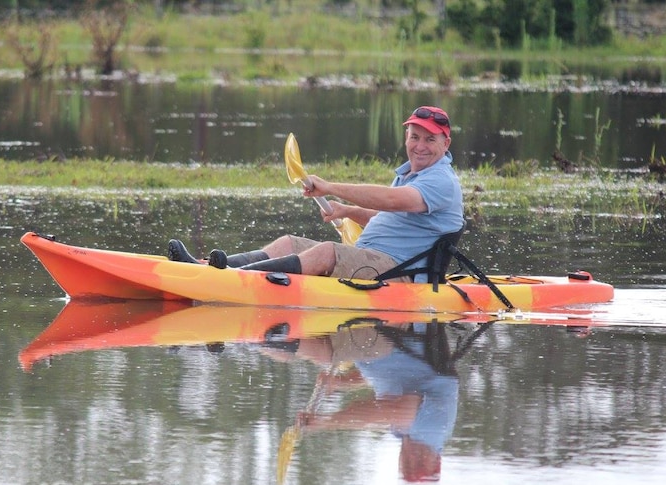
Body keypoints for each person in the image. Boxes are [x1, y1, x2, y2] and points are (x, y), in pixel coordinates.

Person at [168, 105, 464, 283]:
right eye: (415, 137)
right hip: (375, 259)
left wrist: (332, 187)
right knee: (289, 243)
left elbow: (393, 200)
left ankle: (230, 280)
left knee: (327, 251)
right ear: (406, 138)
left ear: (445, 143)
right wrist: (347, 211)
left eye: (430, 139)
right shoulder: (411, 174)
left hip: (400, 274)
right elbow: (388, 214)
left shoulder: (440, 180)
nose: (419, 145)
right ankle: (208, 267)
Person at [264, 321, 460, 482]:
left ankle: (255, 335)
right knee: (322, 352)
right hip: (393, 333)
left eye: (407, 467)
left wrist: (341, 382)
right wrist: (327, 421)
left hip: (378, 345)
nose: (411, 459)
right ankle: (264, 332)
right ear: (436, 460)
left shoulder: (404, 434)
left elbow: (389, 378)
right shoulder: (434, 430)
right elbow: (390, 409)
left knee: (283, 354)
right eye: (420, 465)